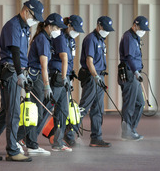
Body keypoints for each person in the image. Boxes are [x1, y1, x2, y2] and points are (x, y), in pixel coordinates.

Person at [0, 0, 44, 162]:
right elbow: (14, 52)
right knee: (14, 111)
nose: (35, 21)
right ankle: (12, 150)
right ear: (26, 11)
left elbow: (21, 53)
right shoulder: (13, 25)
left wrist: (24, 72)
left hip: (16, 70)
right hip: (11, 71)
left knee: (6, 110)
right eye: (34, 17)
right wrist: (20, 74)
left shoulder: (25, 27)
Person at [16, 13, 69, 155]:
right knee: (35, 113)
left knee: (36, 113)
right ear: (50, 26)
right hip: (37, 77)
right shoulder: (43, 40)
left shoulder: (44, 38)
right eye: (57, 27)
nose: (59, 30)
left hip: (37, 77)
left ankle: (31, 144)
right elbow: (44, 66)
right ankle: (18, 139)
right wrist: (47, 85)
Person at [75, 16, 114, 147]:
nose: (107, 31)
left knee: (98, 109)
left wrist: (100, 77)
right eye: (105, 28)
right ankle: (68, 135)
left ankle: (96, 138)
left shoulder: (101, 40)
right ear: (98, 26)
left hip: (99, 77)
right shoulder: (91, 39)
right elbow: (89, 61)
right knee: (84, 107)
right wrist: (95, 76)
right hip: (92, 77)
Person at [49, 15, 84, 148]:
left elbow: (69, 60)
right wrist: (64, 78)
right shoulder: (60, 38)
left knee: (63, 111)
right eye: (75, 29)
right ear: (69, 26)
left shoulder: (71, 40)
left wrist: (70, 74)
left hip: (65, 79)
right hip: (57, 77)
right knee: (44, 109)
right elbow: (62, 59)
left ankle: (58, 142)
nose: (77, 32)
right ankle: (25, 139)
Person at [118, 16, 150, 141]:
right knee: (129, 104)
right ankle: (126, 132)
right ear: (135, 25)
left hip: (134, 74)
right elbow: (130, 57)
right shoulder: (129, 37)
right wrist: (136, 72)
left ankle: (131, 129)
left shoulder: (135, 37)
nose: (143, 31)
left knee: (140, 103)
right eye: (141, 28)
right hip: (129, 73)